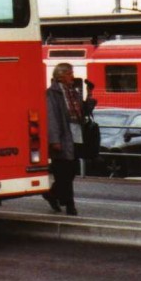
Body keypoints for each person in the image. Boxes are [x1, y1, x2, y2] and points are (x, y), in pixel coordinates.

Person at [44, 62, 84, 215]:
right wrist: (54, 140)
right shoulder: (51, 94)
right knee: (64, 173)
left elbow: (81, 111)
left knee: (71, 170)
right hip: (62, 137)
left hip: (75, 135)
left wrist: (89, 95)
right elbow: (51, 117)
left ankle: (52, 194)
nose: (72, 77)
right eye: (69, 74)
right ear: (61, 76)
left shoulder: (72, 91)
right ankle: (70, 205)